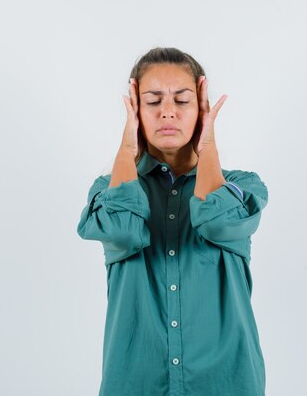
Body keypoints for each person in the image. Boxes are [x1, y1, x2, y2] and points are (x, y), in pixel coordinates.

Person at [76, 47, 269, 396]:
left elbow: (216, 221)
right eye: (152, 101)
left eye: (182, 100)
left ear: (201, 108)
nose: (167, 112)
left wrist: (207, 144)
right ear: (134, 110)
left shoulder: (243, 186)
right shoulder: (110, 188)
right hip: (135, 383)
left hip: (225, 382)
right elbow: (121, 229)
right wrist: (126, 149)